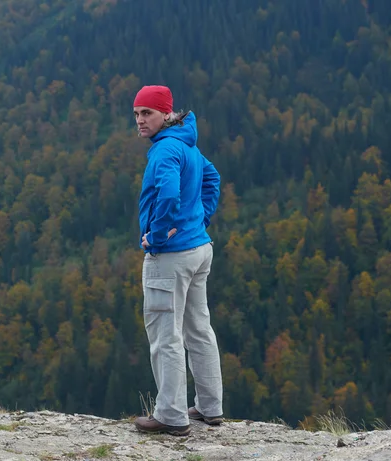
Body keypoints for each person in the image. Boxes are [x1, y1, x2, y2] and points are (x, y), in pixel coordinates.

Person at [132, 85, 223, 436]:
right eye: (137, 114)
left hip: (170, 257)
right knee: (199, 329)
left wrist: (157, 235)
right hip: (199, 249)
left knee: (165, 335)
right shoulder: (187, 142)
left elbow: (168, 193)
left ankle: (171, 415)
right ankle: (209, 407)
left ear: (165, 114)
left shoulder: (165, 150)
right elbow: (212, 179)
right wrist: (199, 220)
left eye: (147, 113)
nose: (140, 120)